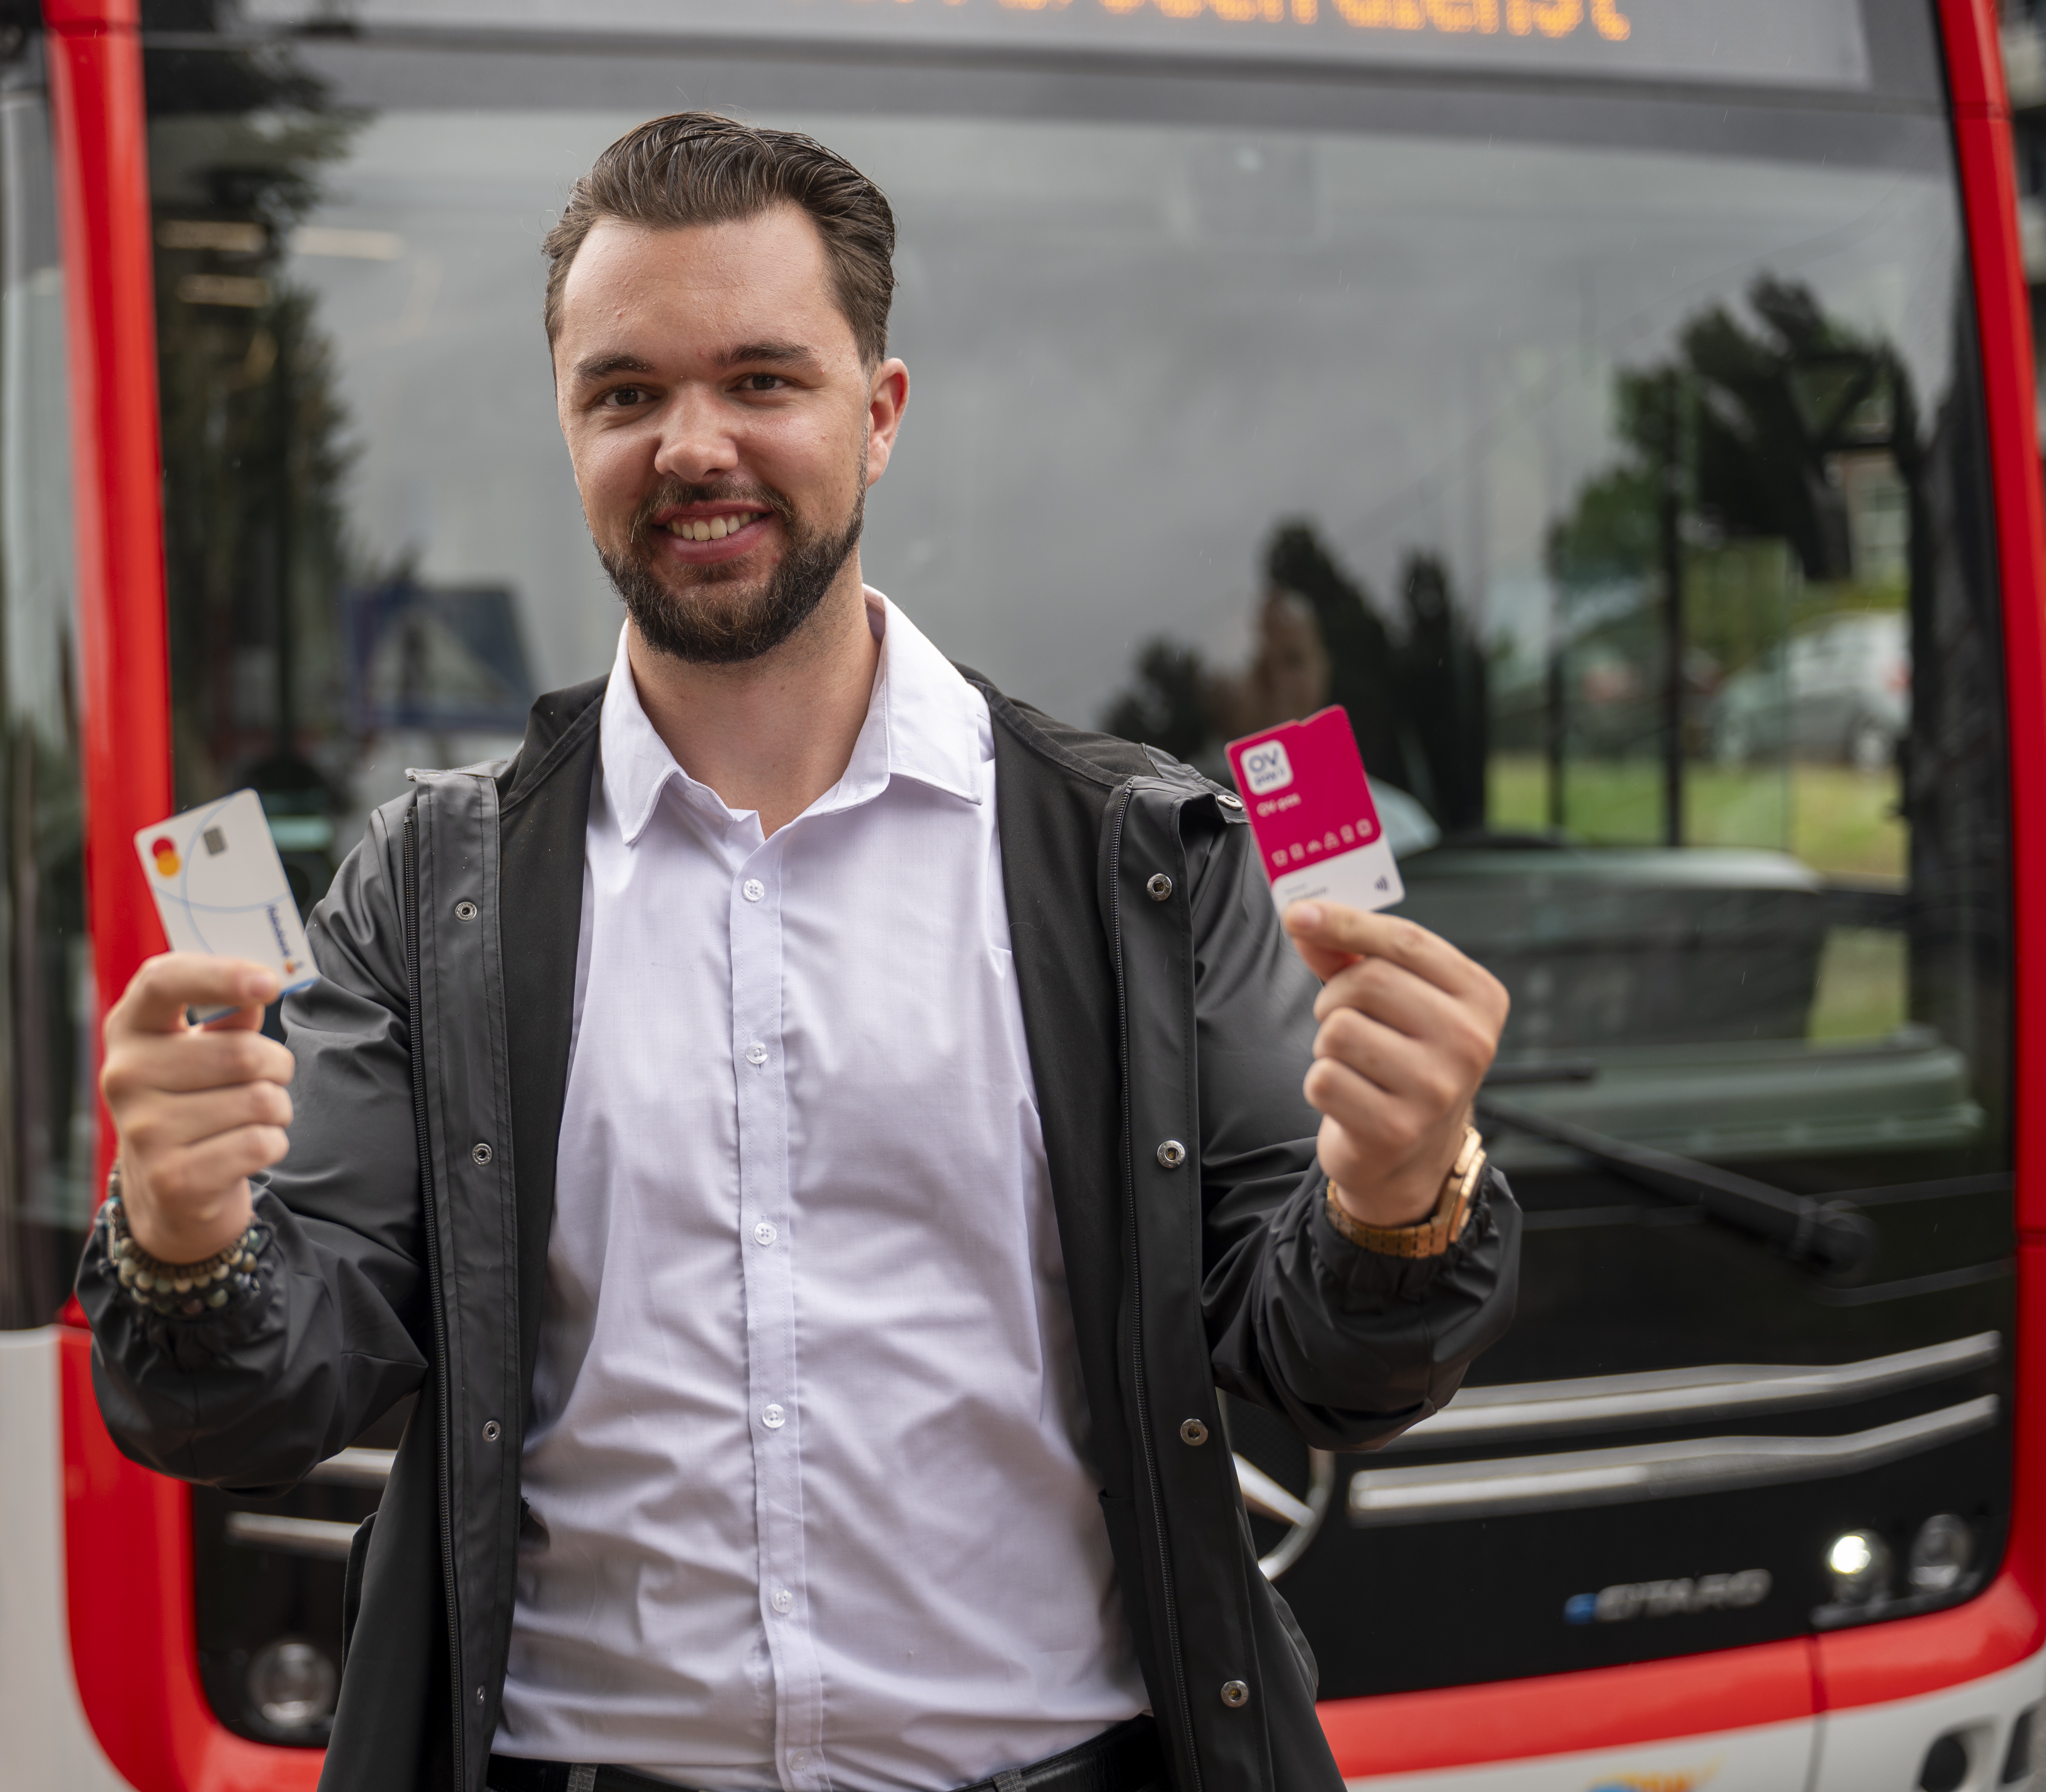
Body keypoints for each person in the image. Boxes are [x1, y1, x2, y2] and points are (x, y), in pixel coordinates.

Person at [83, 113, 1520, 1792]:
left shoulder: (1140, 857)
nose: (693, 444)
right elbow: (256, 1403)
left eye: (762, 379)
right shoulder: (431, 888)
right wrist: (188, 1247)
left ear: (880, 414)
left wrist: (1400, 1205)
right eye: (627, 393)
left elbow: (1323, 1370)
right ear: (569, 430)